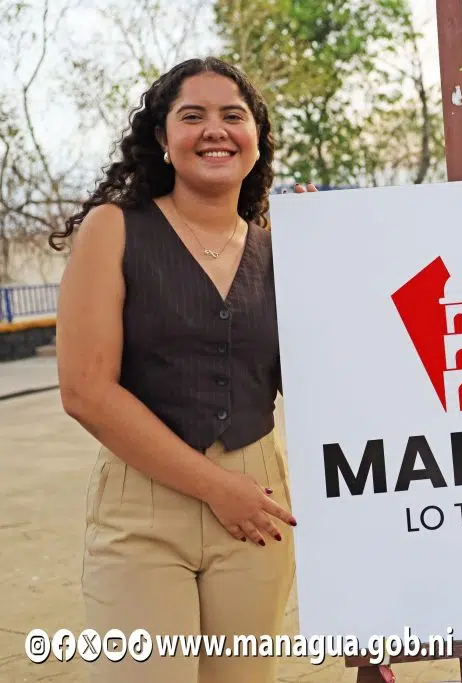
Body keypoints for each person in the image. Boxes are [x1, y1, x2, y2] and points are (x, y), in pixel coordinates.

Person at [51, 57, 315, 683]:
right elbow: (85, 390)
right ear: (163, 139)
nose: (215, 130)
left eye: (233, 116)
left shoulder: (280, 249)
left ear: (257, 141)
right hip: (143, 506)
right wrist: (215, 488)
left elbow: (317, 377)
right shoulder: (114, 229)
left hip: (258, 504)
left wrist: (325, 253)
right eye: (192, 116)